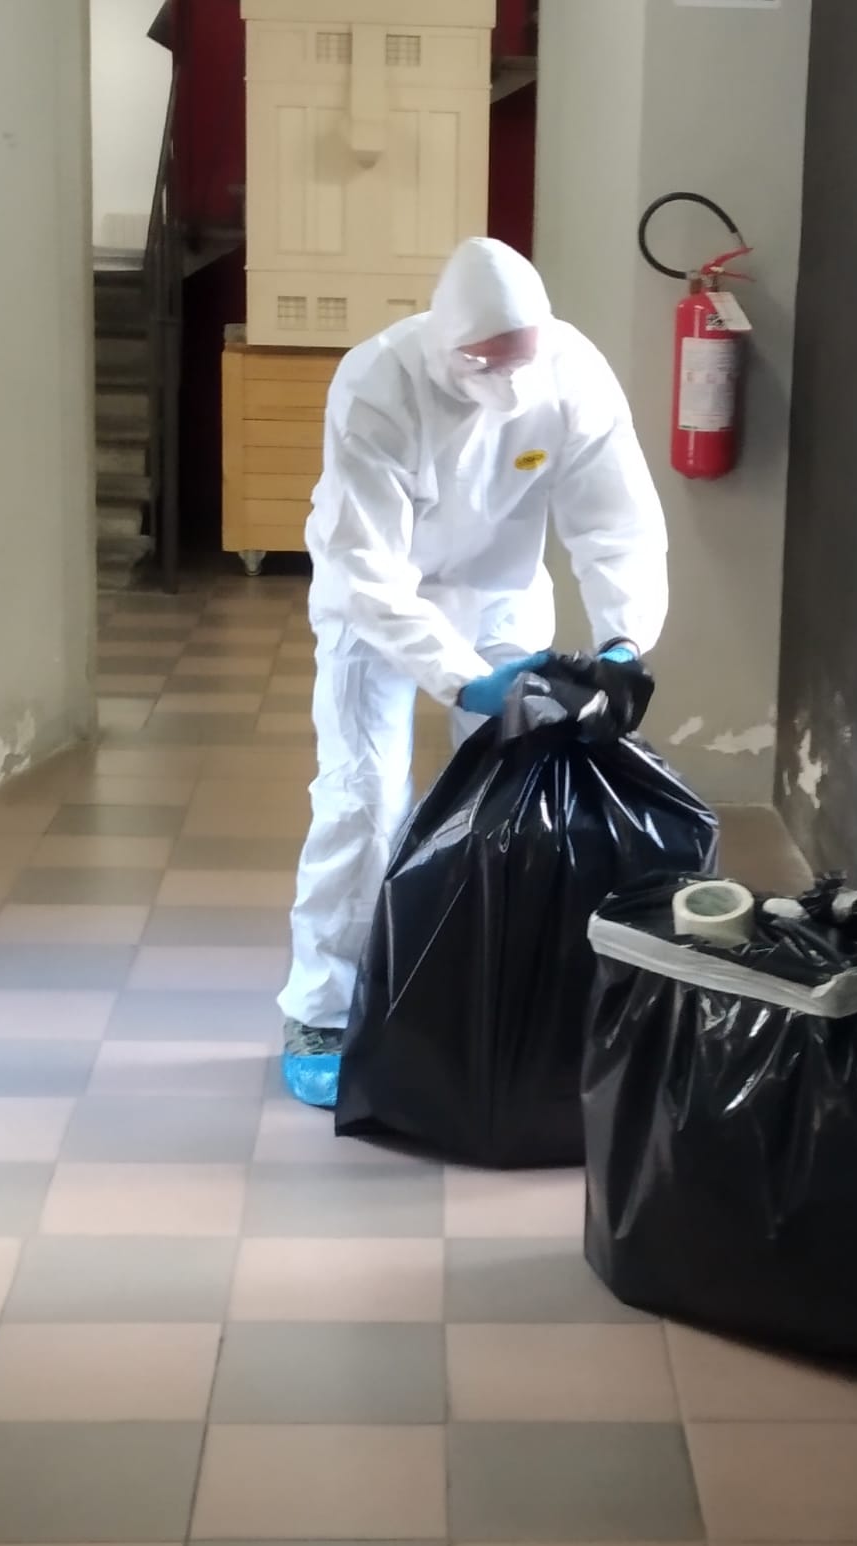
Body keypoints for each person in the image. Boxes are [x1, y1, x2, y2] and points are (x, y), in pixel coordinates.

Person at [277, 237, 669, 1104]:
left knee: (510, 798)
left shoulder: (574, 373)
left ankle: (476, 985)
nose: (507, 381)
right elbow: (369, 569)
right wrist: (461, 680)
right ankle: (323, 1010)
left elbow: (618, 523)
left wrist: (624, 639)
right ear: (447, 343)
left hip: (499, 599)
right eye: (486, 363)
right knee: (362, 797)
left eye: (519, 358)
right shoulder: (378, 383)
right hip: (374, 609)